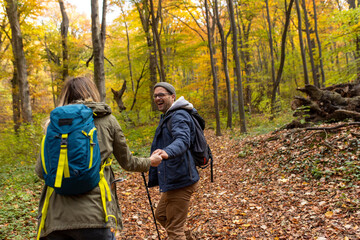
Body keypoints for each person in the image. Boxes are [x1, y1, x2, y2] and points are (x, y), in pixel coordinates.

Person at [35, 76, 162, 240]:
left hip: (55, 219)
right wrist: (150, 162)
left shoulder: (54, 125)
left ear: (65, 96)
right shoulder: (108, 120)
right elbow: (128, 162)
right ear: (92, 93)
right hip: (96, 214)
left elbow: (40, 171)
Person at [148, 82, 200, 240]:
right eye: (156, 95)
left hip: (181, 179)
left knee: (174, 230)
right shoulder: (168, 116)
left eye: (161, 94)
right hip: (174, 178)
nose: (158, 98)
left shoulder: (178, 116)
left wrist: (166, 152)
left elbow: (183, 140)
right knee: (161, 215)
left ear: (172, 97)